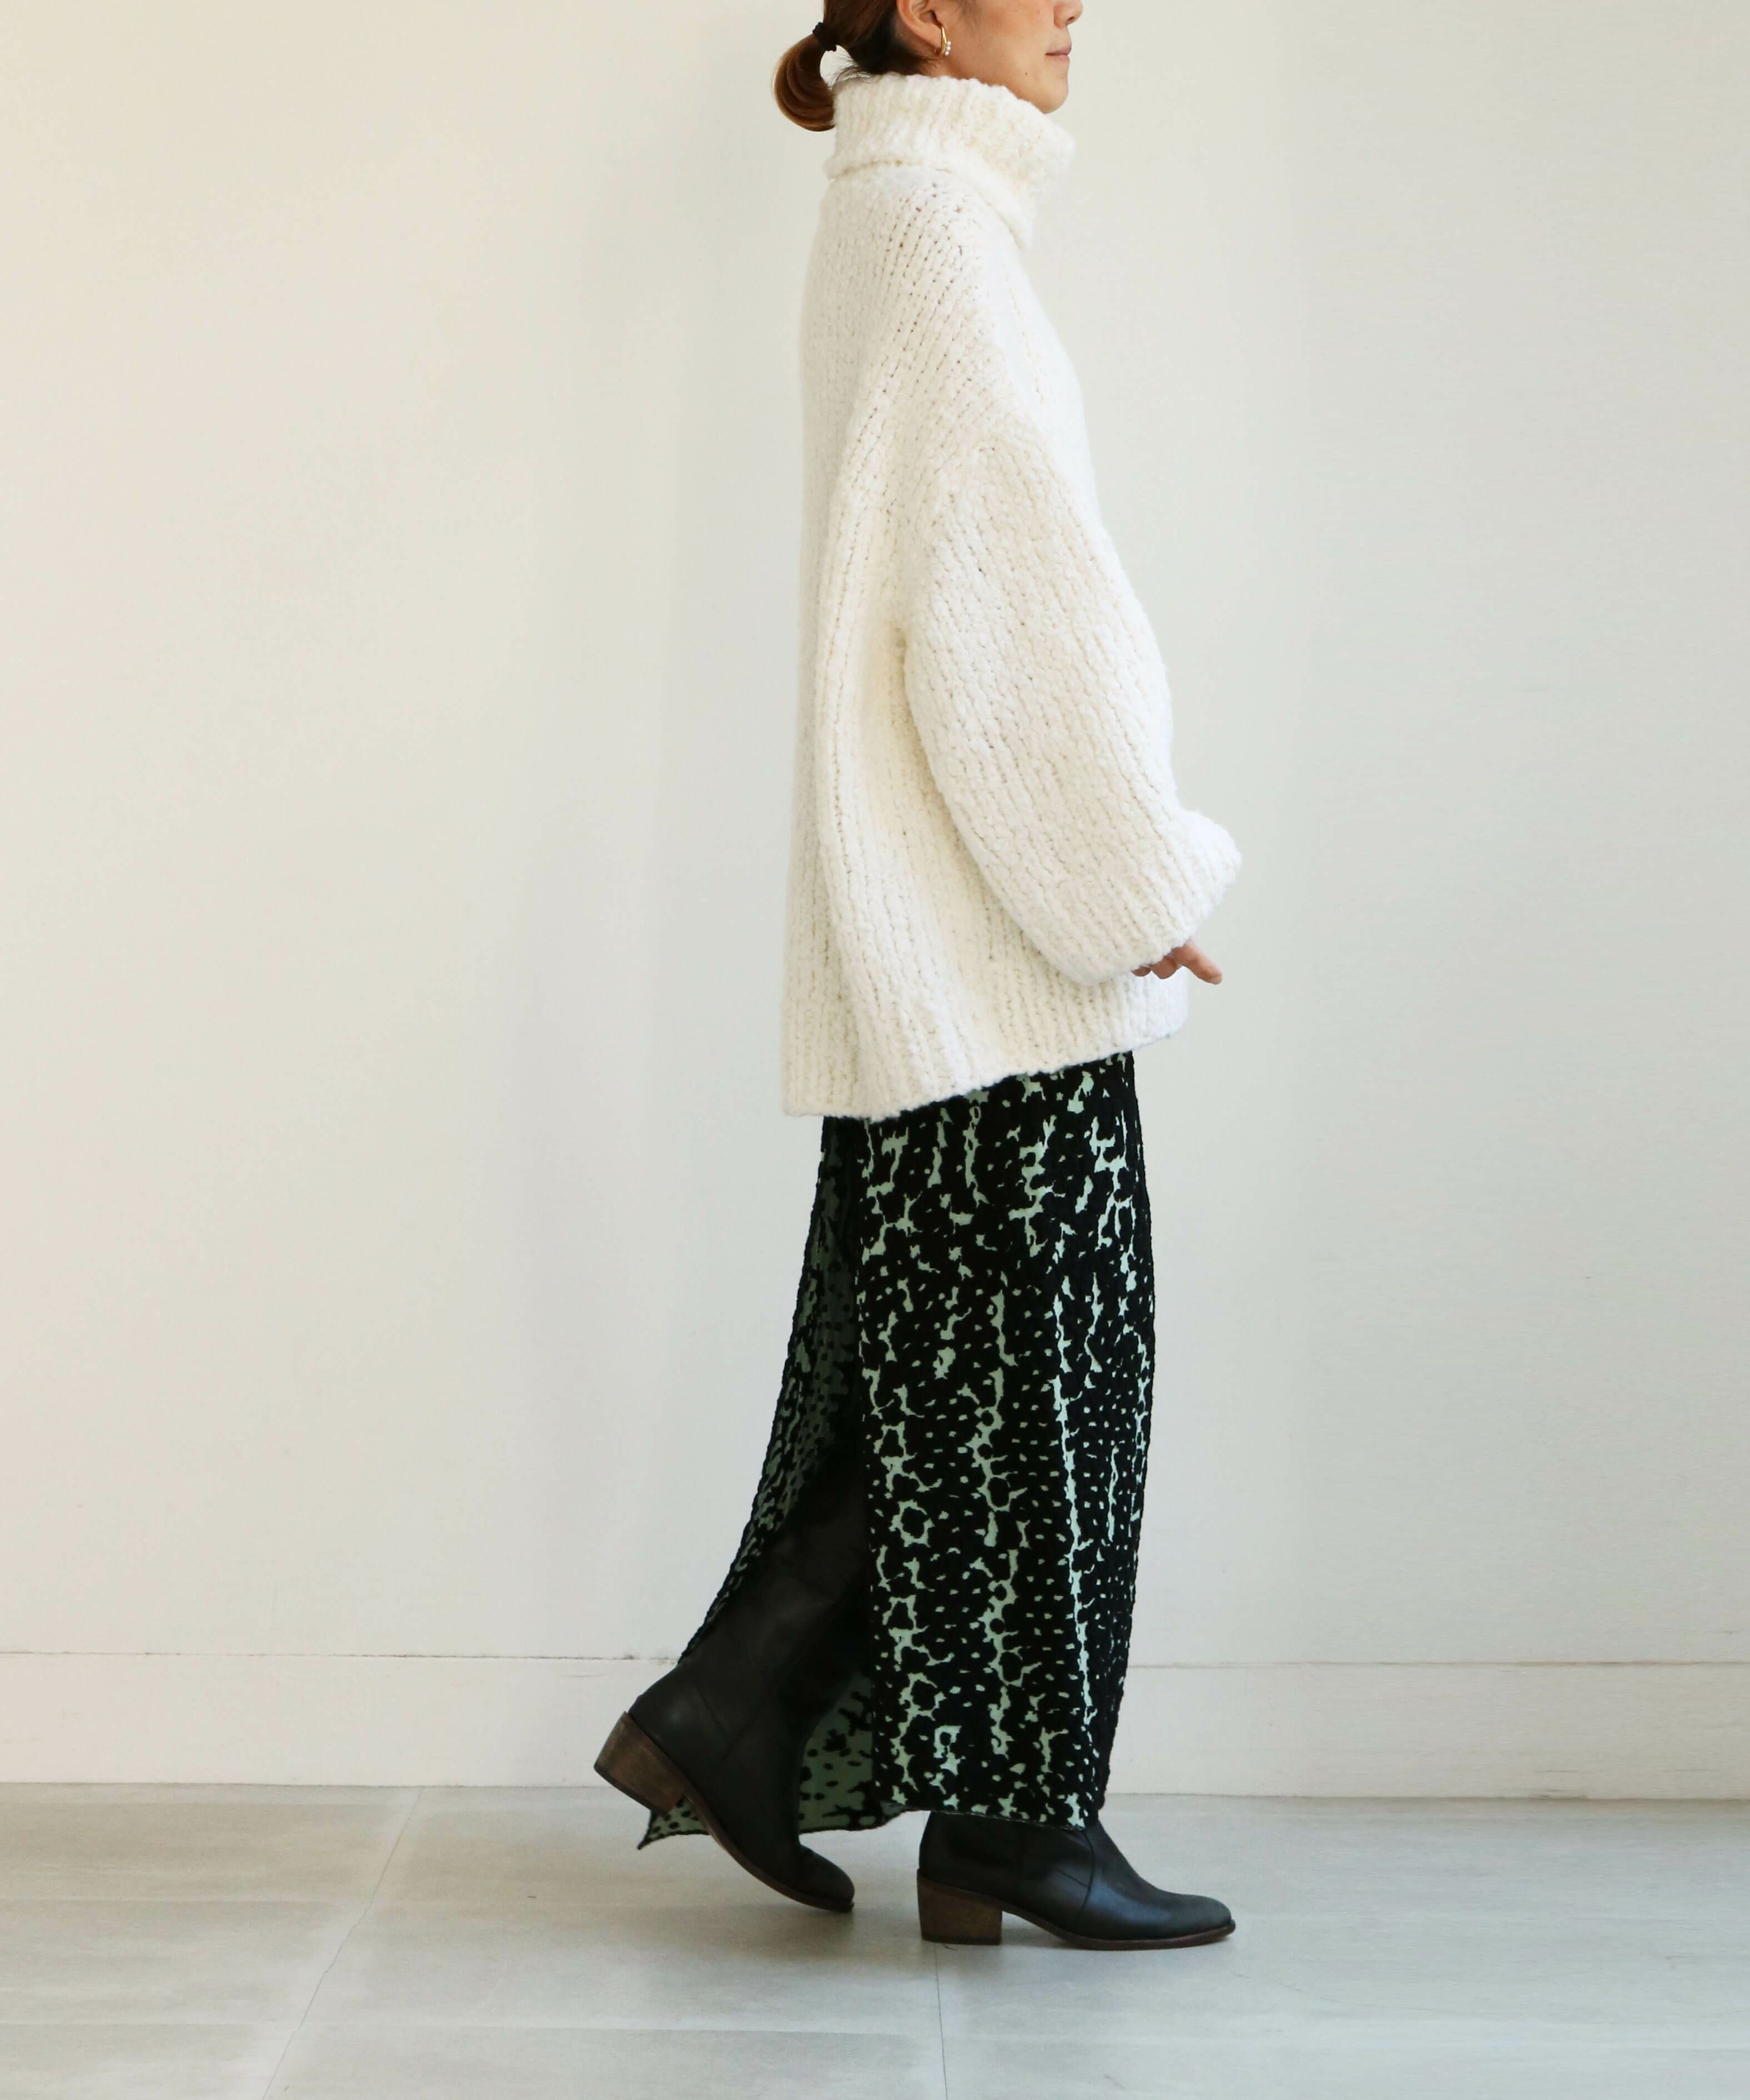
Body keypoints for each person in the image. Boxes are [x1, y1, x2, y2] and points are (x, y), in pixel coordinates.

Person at [596, 0, 1242, 1953]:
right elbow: (1012, 618)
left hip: (929, 945)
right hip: (988, 943)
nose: (1075, 6)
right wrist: (1133, 873)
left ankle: (761, 1729)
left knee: (936, 1392)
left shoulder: (891, 216)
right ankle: (1009, 1823)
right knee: (1038, 1401)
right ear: (927, 12)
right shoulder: (941, 244)